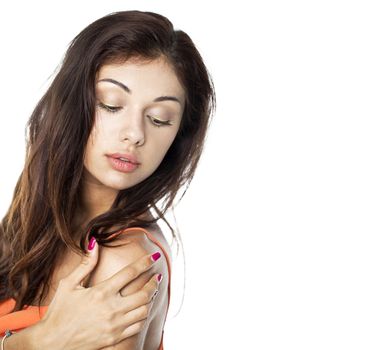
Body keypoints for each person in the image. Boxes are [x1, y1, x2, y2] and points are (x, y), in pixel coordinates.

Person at [0, 10, 215, 349]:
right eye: (111, 105)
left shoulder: (123, 261)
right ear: (72, 104)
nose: (135, 134)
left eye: (159, 119)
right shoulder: (26, 220)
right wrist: (34, 342)